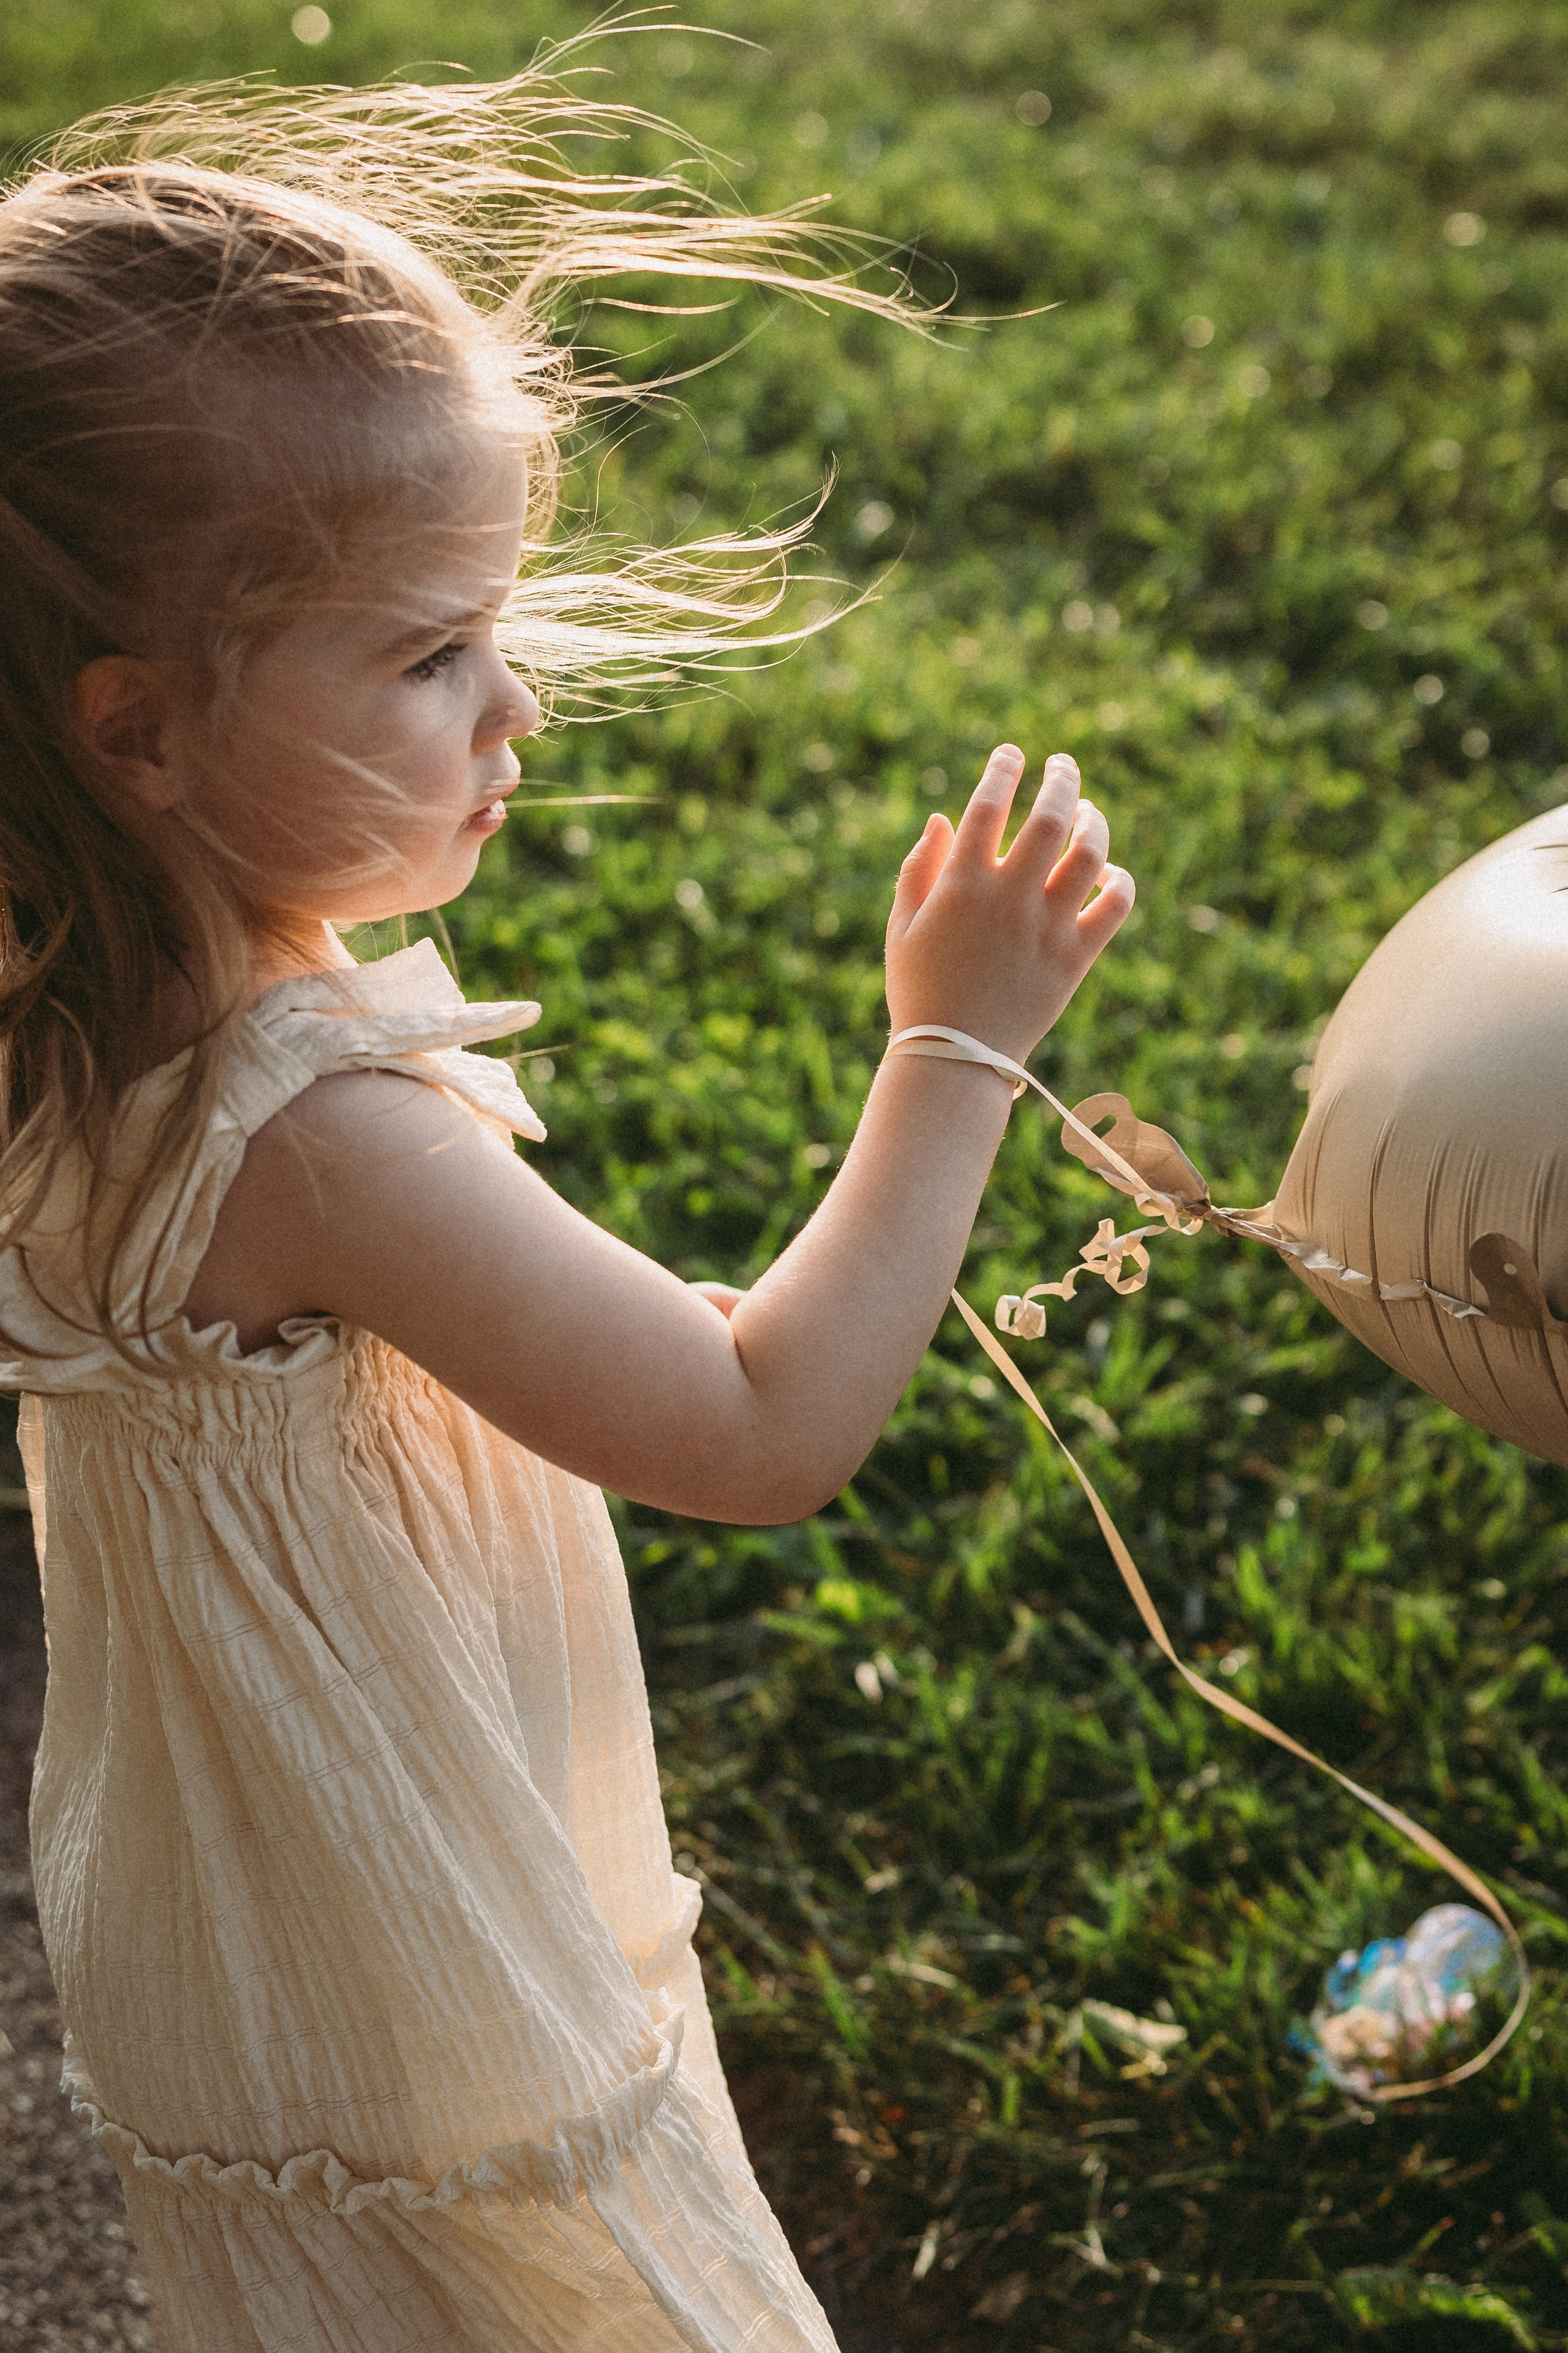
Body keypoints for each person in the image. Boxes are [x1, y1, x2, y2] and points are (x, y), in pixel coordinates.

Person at [0, 61, 1133, 2353]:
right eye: (431, 656)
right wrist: (957, 1047)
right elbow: (756, 1423)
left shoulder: (58, 1027)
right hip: (415, 1965)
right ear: (137, 730)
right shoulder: (312, 1131)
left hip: (234, 1935)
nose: (511, 708)